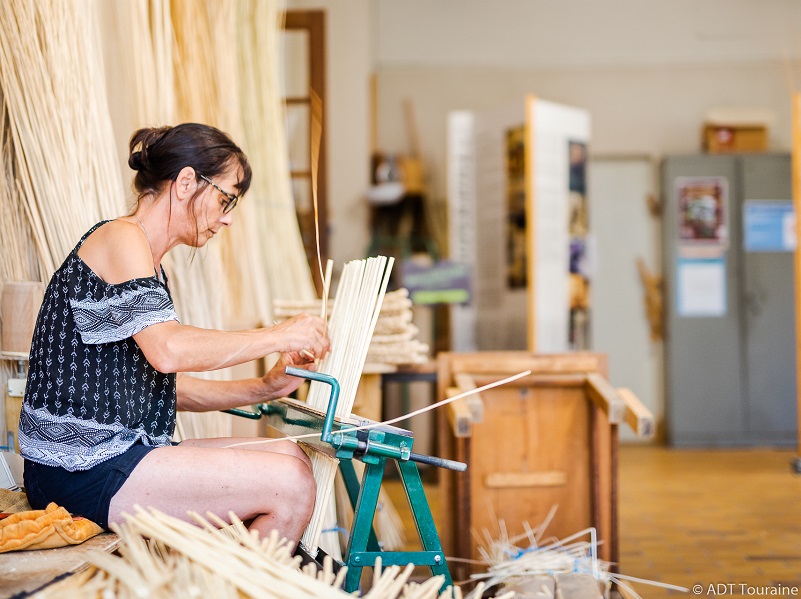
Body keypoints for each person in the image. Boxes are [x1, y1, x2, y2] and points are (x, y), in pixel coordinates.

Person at [18, 123, 330, 548]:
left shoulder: (149, 264)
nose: (228, 217)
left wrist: (264, 387)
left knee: (291, 457)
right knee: (289, 483)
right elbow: (168, 351)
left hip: (117, 455)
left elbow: (163, 386)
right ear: (186, 182)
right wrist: (278, 334)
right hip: (78, 466)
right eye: (226, 198)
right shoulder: (121, 237)